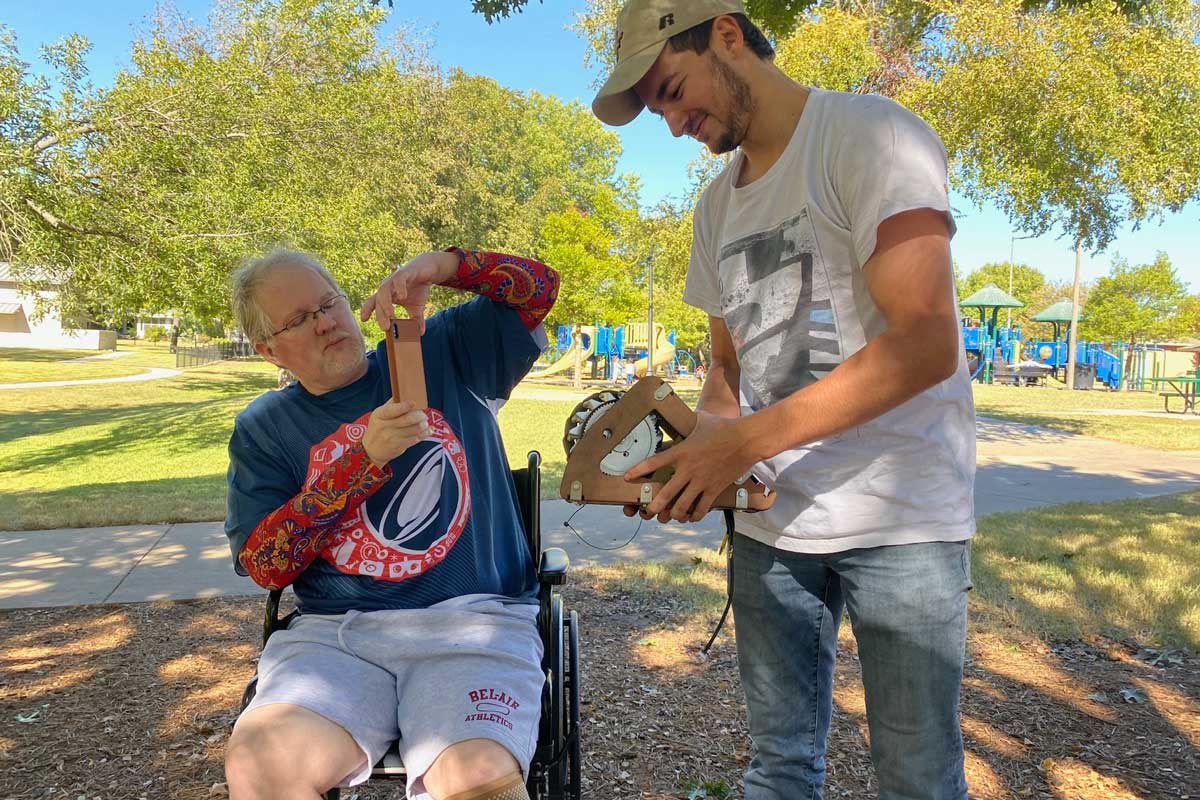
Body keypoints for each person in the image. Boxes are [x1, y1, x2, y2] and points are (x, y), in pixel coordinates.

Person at [591, 2, 976, 799]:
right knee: (778, 768)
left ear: (727, 34)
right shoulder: (714, 208)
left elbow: (927, 341)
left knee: (915, 777)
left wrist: (740, 444)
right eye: (659, 106)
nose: (671, 123)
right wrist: (698, 465)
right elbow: (727, 377)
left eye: (671, 89)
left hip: (900, 523)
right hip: (770, 528)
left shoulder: (873, 135)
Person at [222, 245, 559, 800]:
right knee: (261, 766)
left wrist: (444, 267)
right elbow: (265, 564)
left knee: (477, 779)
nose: (326, 322)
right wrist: (361, 463)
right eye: (299, 319)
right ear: (268, 350)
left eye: (328, 303)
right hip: (337, 637)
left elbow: (539, 290)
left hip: (473, 625)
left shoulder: (444, 351)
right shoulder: (266, 427)